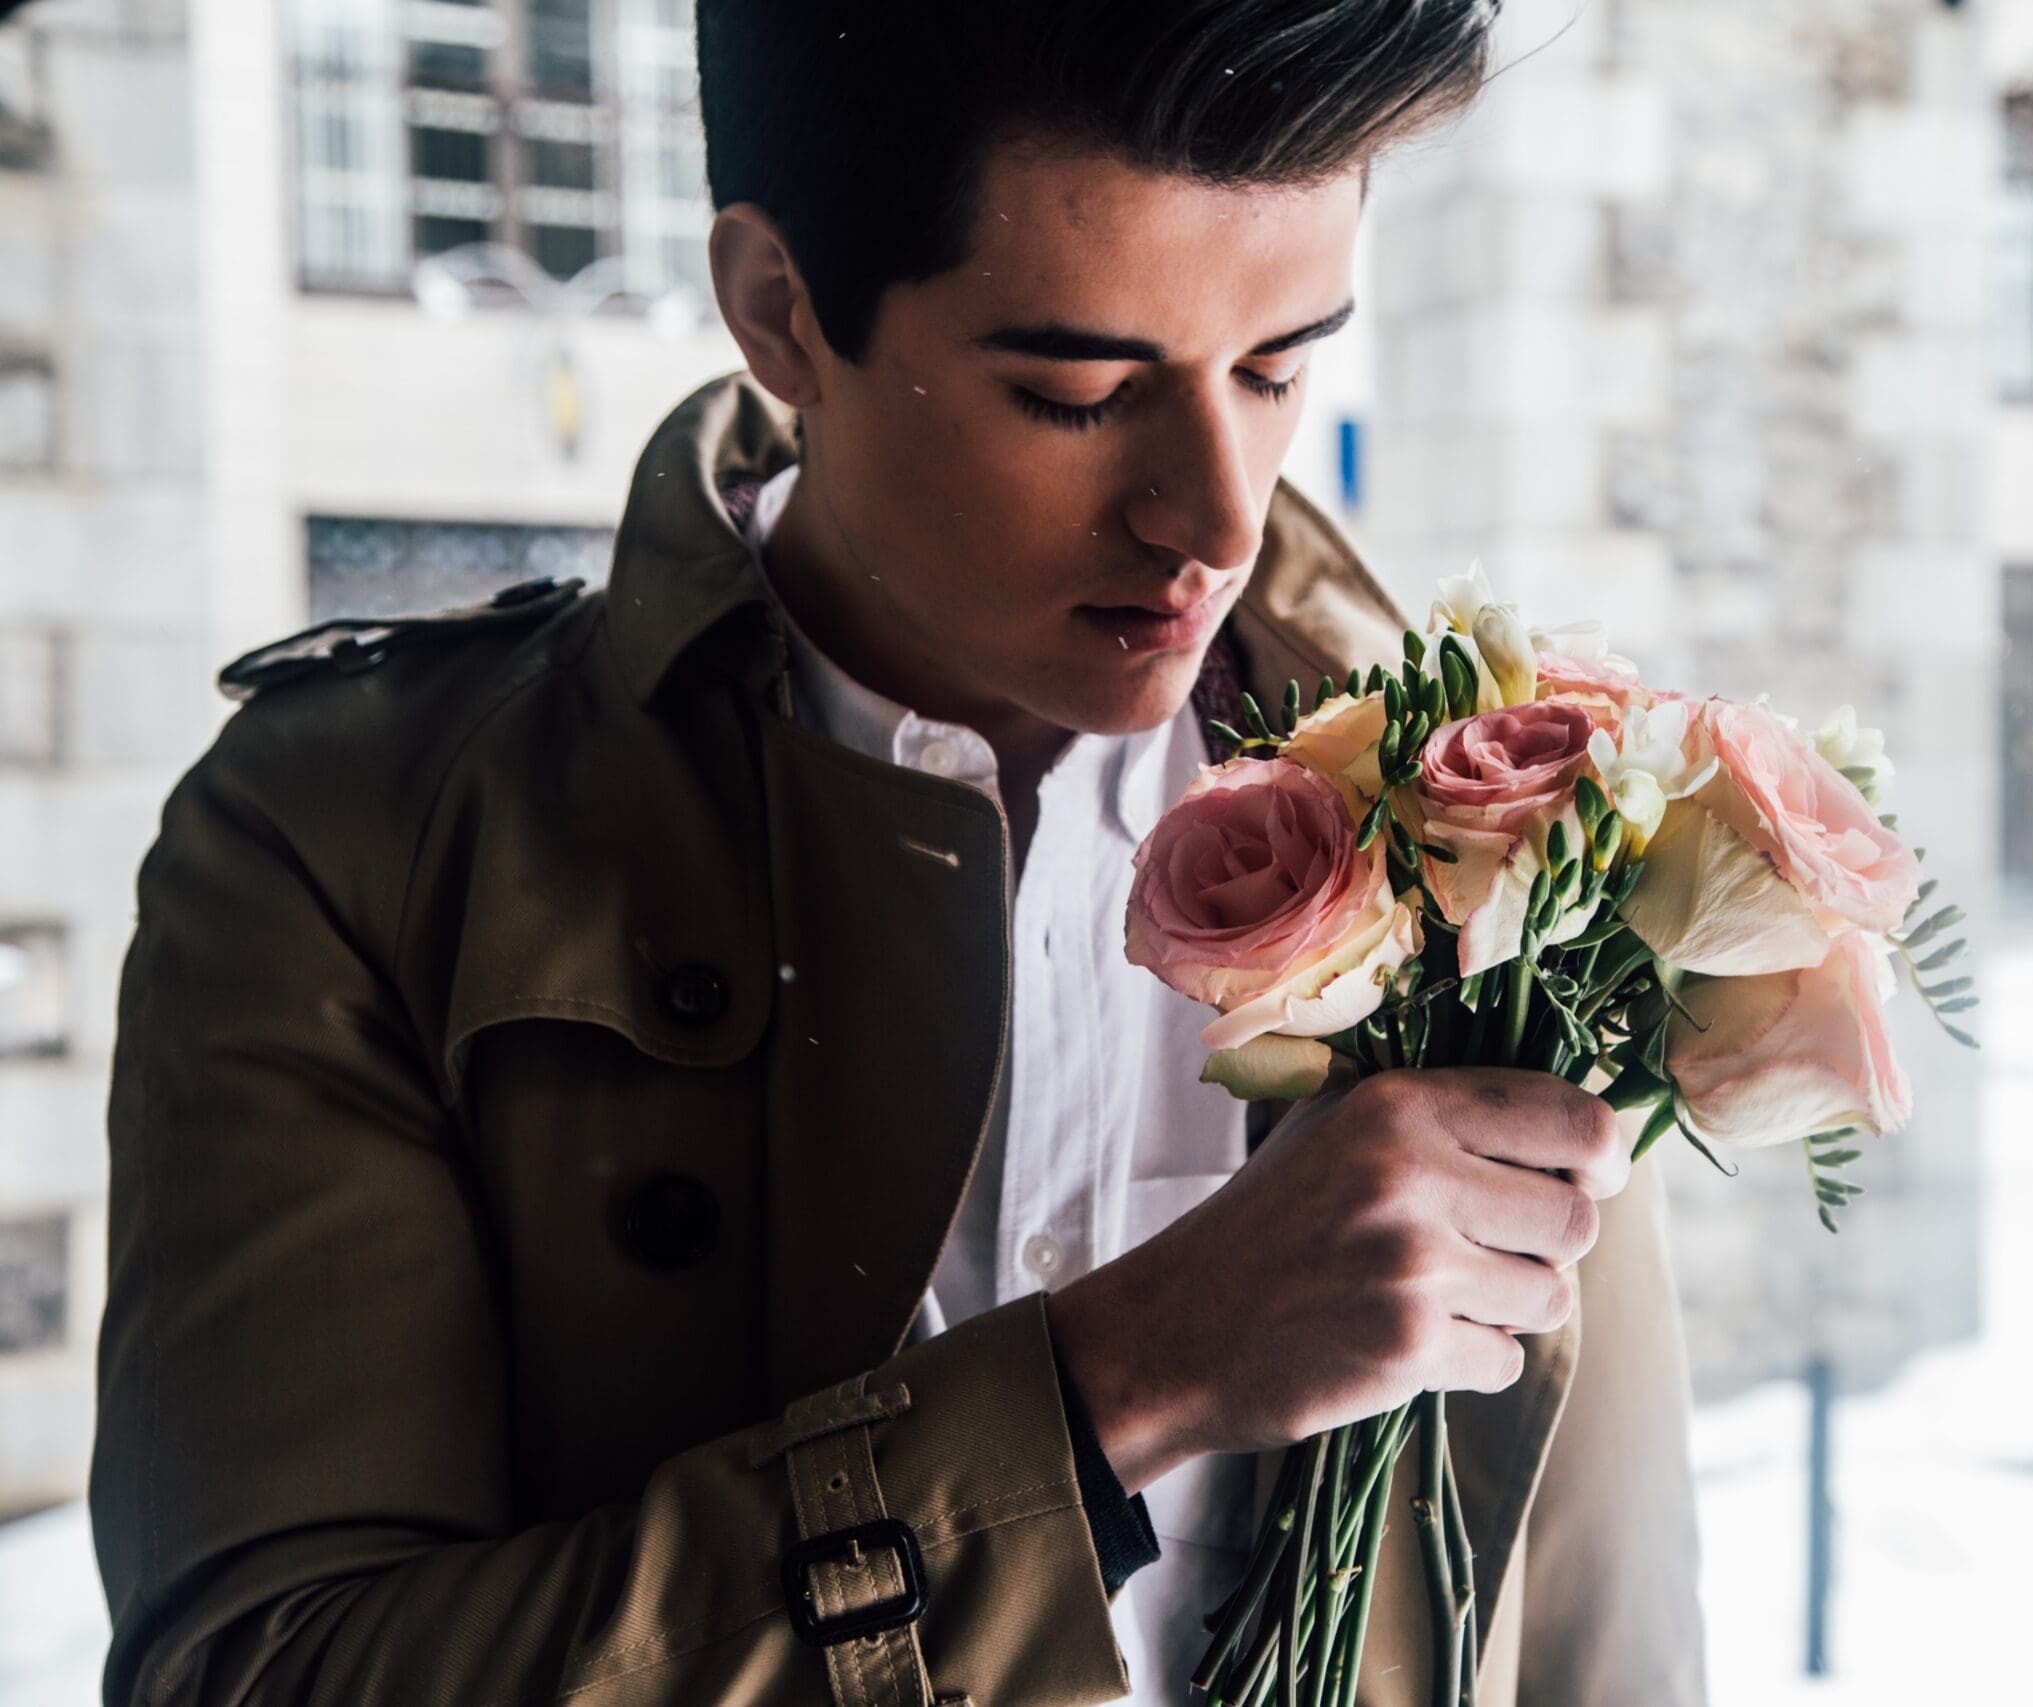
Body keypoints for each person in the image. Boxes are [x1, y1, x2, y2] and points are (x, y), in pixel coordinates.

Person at [89, 3, 1707, 1702]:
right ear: (781, 312)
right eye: (1079, 393)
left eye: (1282, 366)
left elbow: (1605, 1626)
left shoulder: (1516, 829)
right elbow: (259, 1673)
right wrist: (1116, 1381)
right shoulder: (363, 838)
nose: (1218, 517)